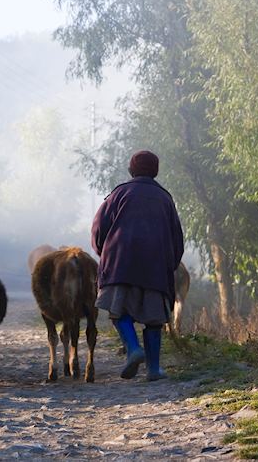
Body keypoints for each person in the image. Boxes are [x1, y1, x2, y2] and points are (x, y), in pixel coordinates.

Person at [91, 150, 184, 381]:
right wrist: (168, 265)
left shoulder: (119, 193)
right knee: (154, 319)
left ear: (131, 170)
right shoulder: (165, 198)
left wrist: (105, 256)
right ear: (156, 171)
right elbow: (177, 239)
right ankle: (153, 369)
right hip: (155, 268)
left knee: (118, 310)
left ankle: (133, 349)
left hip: (120, 263)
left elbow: (98, 230)